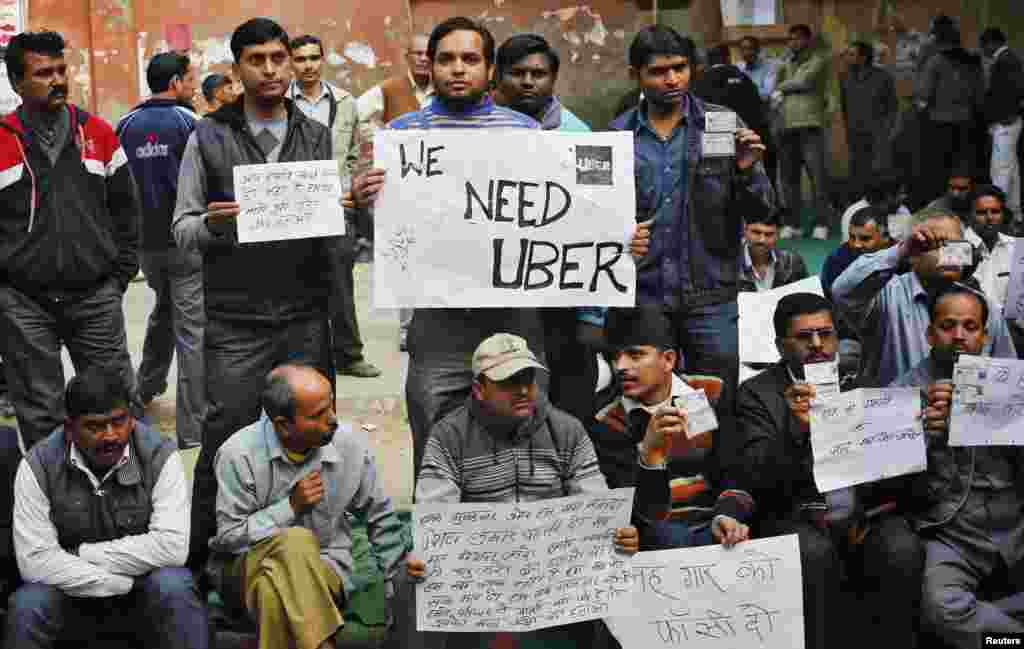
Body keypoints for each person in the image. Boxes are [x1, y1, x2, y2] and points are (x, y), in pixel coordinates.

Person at [173, 18, 338, 571]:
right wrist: (213, 226)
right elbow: (182, 229)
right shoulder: (208, 135)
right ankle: (205, 559)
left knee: (310, 433)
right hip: (236, 318)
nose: (269, 70)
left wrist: (354, 204)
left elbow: (336, 223)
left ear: (291, 62)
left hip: (304, 314)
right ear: (237, 67)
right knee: (226, 435)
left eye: (278, 58)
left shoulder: (317, 133)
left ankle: (314, 557)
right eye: (256, 60)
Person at [351, 17, 546, 479]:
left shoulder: (526, 135)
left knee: (524, 445)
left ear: (490, 68)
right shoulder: (401, 137)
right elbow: (384, 230)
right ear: (430, 66)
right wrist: (363, 203)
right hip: (436, 324)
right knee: (435, 444)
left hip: (511, 316)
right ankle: (439, 544)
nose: (458, 69)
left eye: (470, 59)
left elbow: (555, 217)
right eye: (446, 59)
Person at [406, 333, 643, 647]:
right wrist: (424, 553)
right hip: (482, 576)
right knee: (411, 581)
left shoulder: (567, 429)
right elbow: (436, 517)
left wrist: (617, 533)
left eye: (528, 379)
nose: (522, 390)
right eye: (508, 382)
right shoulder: (448, 436)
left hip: (554, 574)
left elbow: (595, 508)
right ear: (479, 389)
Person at [729, 292, 923, 649]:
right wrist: (797, 430)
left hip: (863, 513)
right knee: (811, 553)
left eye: (826, 334)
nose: (818, 345)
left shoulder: (862, 383)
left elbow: (898, 478)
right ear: (780, 345)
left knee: (901, 546)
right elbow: (756, 476)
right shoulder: (757, 394)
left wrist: (916, 437)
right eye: (804, 337)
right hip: (795, 514)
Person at [617, 25, 772, 416]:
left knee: (719, 402)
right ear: (636, 74)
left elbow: (762, 212)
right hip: (646, 294)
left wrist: (748, 171)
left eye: (680, 67)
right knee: (651, 403)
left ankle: (722, 477)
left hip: (711, 293)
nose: (672, 79)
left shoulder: (722, 125)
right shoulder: (617, 135)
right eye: (658, 71)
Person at [0, 30, 141, 451]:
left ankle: (119, 498)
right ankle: (54, 502)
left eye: (61, 70)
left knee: (113, 401)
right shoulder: (2, 141)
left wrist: (119, 276)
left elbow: (126, 211)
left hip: (95, 296)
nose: (58, 79)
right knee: (40, 409)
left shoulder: (98, 133)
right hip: (23, 302)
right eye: (44, 73)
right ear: (17, 83)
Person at [4, 367, 207, 649]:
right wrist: (114, 582)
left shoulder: (160, 455)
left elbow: (172, 547)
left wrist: (85, 553)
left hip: (143, 597)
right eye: (95, 426)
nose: (110, 436)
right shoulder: (37, 466)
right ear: (70, 428)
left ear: (131, 419)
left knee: (174, 586)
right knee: (29, 604)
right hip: (73, 597)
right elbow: (35, 562)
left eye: (119, 421)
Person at [210, 364, 408, 649]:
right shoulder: (238, 455)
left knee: (272, 593)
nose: (333, 420)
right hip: (246, 568)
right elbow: (229, 538)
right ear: (283, 424)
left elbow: (381, 519)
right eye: (317, 415)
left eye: (331, 406)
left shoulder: (348, 445)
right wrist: (290, 507)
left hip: (326, 568)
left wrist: (397, 588)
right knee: (296, 540)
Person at [891, 284, 1024, 648]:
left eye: (970, 326)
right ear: (931, 333)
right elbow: (891, 488)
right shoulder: (902, 392)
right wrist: (925, 437)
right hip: (952, 532)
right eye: (948, 325)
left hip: (1015, 524)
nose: (959, 336)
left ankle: (997, 621)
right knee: (940, 608)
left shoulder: (1013, 384)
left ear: (984, 334)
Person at [591, 307, 753, 550]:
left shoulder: (710, 393)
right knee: (670, 537)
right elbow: (636, 512)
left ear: (668, 360)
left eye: (635, 355)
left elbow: (735, 471)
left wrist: (728, 515)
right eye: (615, 357)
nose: (621, 366)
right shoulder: (608, 420)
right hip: (655, 537)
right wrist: (650, 456)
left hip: (716, 522)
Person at [116, 52, 204, 449]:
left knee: (165, 310)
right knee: (193, 332)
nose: (193, 87)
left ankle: (142, 390)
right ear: (174, 83)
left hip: (145, 249)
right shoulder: (191, 123)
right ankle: (194, 429)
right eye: (190, 80)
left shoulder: (123, 125)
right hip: (185, 242)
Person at [832, 207, 1017, 387]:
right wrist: (900, 251)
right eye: (935, 245)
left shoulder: (984, 307)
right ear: (913, 255)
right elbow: (842, 291)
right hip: (895, 414)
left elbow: (1008, 377)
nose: (949, 253)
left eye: (957, 245)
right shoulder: (885, 296)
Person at [288, 34, 381, 379]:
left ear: (322, 59)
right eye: (300, 59)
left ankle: (349, 355)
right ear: (291, 63)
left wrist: (349, 191)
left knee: (341, 283)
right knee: (295, 280)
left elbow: (354, 154)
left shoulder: (345, 102)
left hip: (338, 209)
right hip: (295, 207)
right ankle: (300, 358)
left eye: (314, 58)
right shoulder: (281, 102)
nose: (308, 65)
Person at [357, 32, 434, 352]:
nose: (422, 59)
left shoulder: (447, 90)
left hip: (440, 185)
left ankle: (436, 324)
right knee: (405, 256)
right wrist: (381, 141)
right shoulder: (389, 89)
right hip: (402, 188)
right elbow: (358, 114)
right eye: (416, 53)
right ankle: (407, 329)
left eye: (428, 53)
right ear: (408, 57)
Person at [912, 17, 984, 210]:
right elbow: (979, 94)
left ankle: (941, 209)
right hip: (968, 123)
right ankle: (964, 207)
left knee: (938, 172)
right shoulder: (972, 61)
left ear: (937, 38)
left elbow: (923, 96)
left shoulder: (935, 61)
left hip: (939, 124)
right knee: (964, 169)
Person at [773, 24, 832, 240]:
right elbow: (774, 85)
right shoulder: (786, 62)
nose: (793, 43)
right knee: (789, 178)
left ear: (808, 40)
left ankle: (821, 224)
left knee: (817, 177)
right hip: (786, 126)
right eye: (791, 39)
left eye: (798, 39)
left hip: (809, 125)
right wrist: (780, 81)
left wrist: (781, 87)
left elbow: (803, 81)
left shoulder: (818, 59)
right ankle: (793, 223)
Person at [493, 33, 589, 131]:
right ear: (498, 77)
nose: (527, 82)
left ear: (554, 78)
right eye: (517, 73)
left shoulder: (576, 133)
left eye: (538, 74)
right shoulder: (479, 124)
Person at [841, 41, 897, 203]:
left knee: (879, 173)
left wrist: (887, 131)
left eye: (851, 54)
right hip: (855, 133)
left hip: (878, 134)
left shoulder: (882, 77)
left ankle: (881, 206)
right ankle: (859, 208)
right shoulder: (845, 78)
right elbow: (844, 107)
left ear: (863, 57)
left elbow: (892, 107)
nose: (847, 58)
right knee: (857, 172)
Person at [980, 27, 1024, 221]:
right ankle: (1015, 212)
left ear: (991, 43)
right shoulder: (1010, 59)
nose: (983, 51)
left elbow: (1009, 92)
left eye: (983, 46)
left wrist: (1004, 116)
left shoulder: (1005, 61)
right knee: (1011, 170)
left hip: (1006, 121)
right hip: (1011, 120)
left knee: (1000, 171)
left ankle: (997, 215)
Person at [690, 44, 768, 145]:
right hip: (746, 137)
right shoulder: (744, 78)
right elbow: (758, 110)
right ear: (728, 58)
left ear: (708, 60)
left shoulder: (700, 81)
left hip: (715, 141)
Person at [822, 205, 888, 302]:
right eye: (852, 237)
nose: (856, 245)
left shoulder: (902, 256)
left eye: (865, 238)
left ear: (885, 237)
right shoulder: (836, 260)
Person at [739, 211, 809, 292]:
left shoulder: (793, 262)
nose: (762, 240)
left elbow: (806, 300)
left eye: (769, 234)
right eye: (756, 232)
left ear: (778, 235)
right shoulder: (729, 265)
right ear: (745, 231)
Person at [840, 173, 911, 242]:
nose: (904, 197)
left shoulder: (902, 210)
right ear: (888, 196)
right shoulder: (854, 213)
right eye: (901, 193)